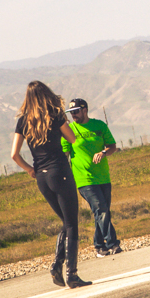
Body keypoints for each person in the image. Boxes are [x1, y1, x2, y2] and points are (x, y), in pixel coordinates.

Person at [10, 81, 89, 288]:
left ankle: (58, 264)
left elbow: (14, 155)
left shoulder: (23, 122)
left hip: (42, 178)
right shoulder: (55, 115)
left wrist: (29, 169)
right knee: (72, 224)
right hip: (60, 172)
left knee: (65, 221)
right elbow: (71, 139)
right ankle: (70, 273)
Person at [64, 97, 122, 258]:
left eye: (76, 112)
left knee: (102, 212)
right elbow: (64, 155)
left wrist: (103, 153)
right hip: (84, 179)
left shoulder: (99, 126)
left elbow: (112, 146)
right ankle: (113, 244)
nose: (73, 115)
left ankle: (98, 246)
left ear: (85, 110)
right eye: (70, 113)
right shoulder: (68, 130)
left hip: (103, 177)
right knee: (101, 209)